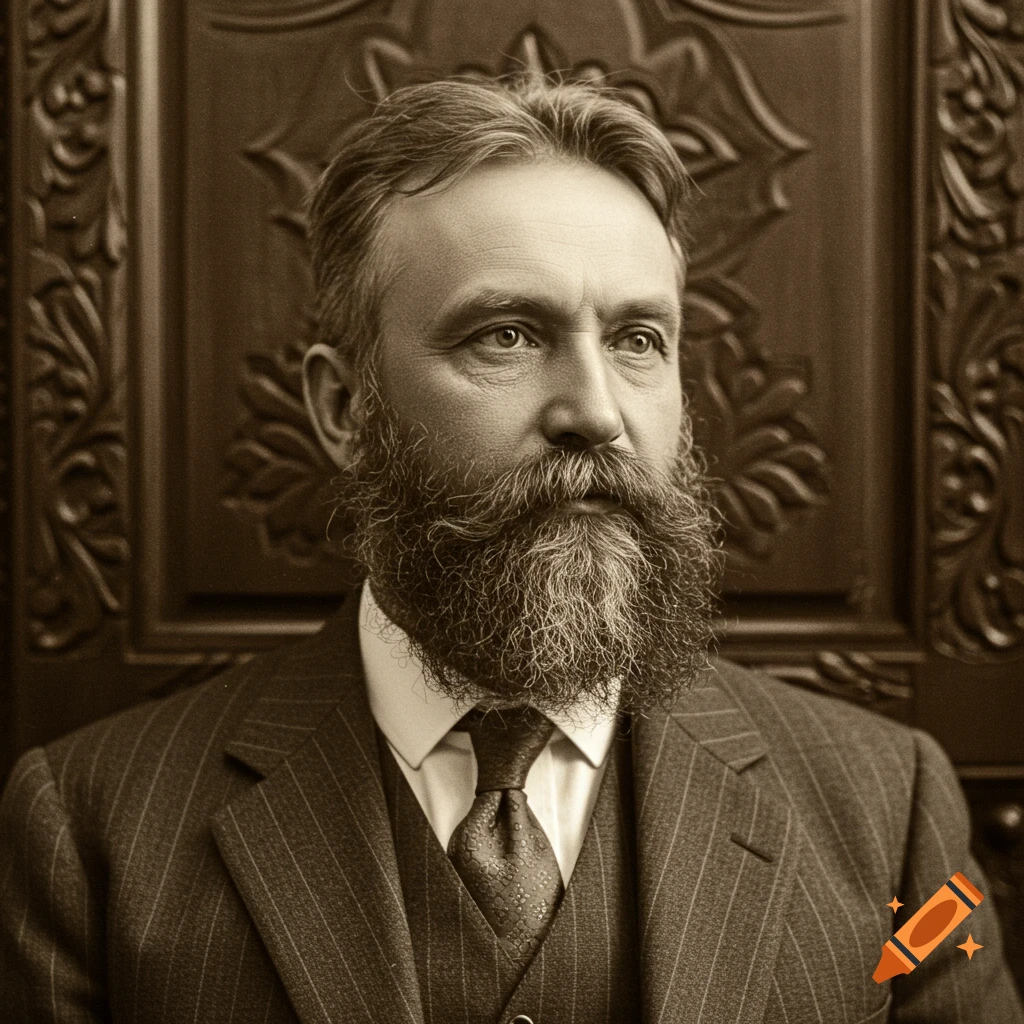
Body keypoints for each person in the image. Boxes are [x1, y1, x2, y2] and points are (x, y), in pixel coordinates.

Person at [1, 77, 1020, 1024]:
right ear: (344, 409)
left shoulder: (889, 808)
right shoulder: (91, 830)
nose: (595, 412)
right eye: (506, 336)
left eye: (636, 340)